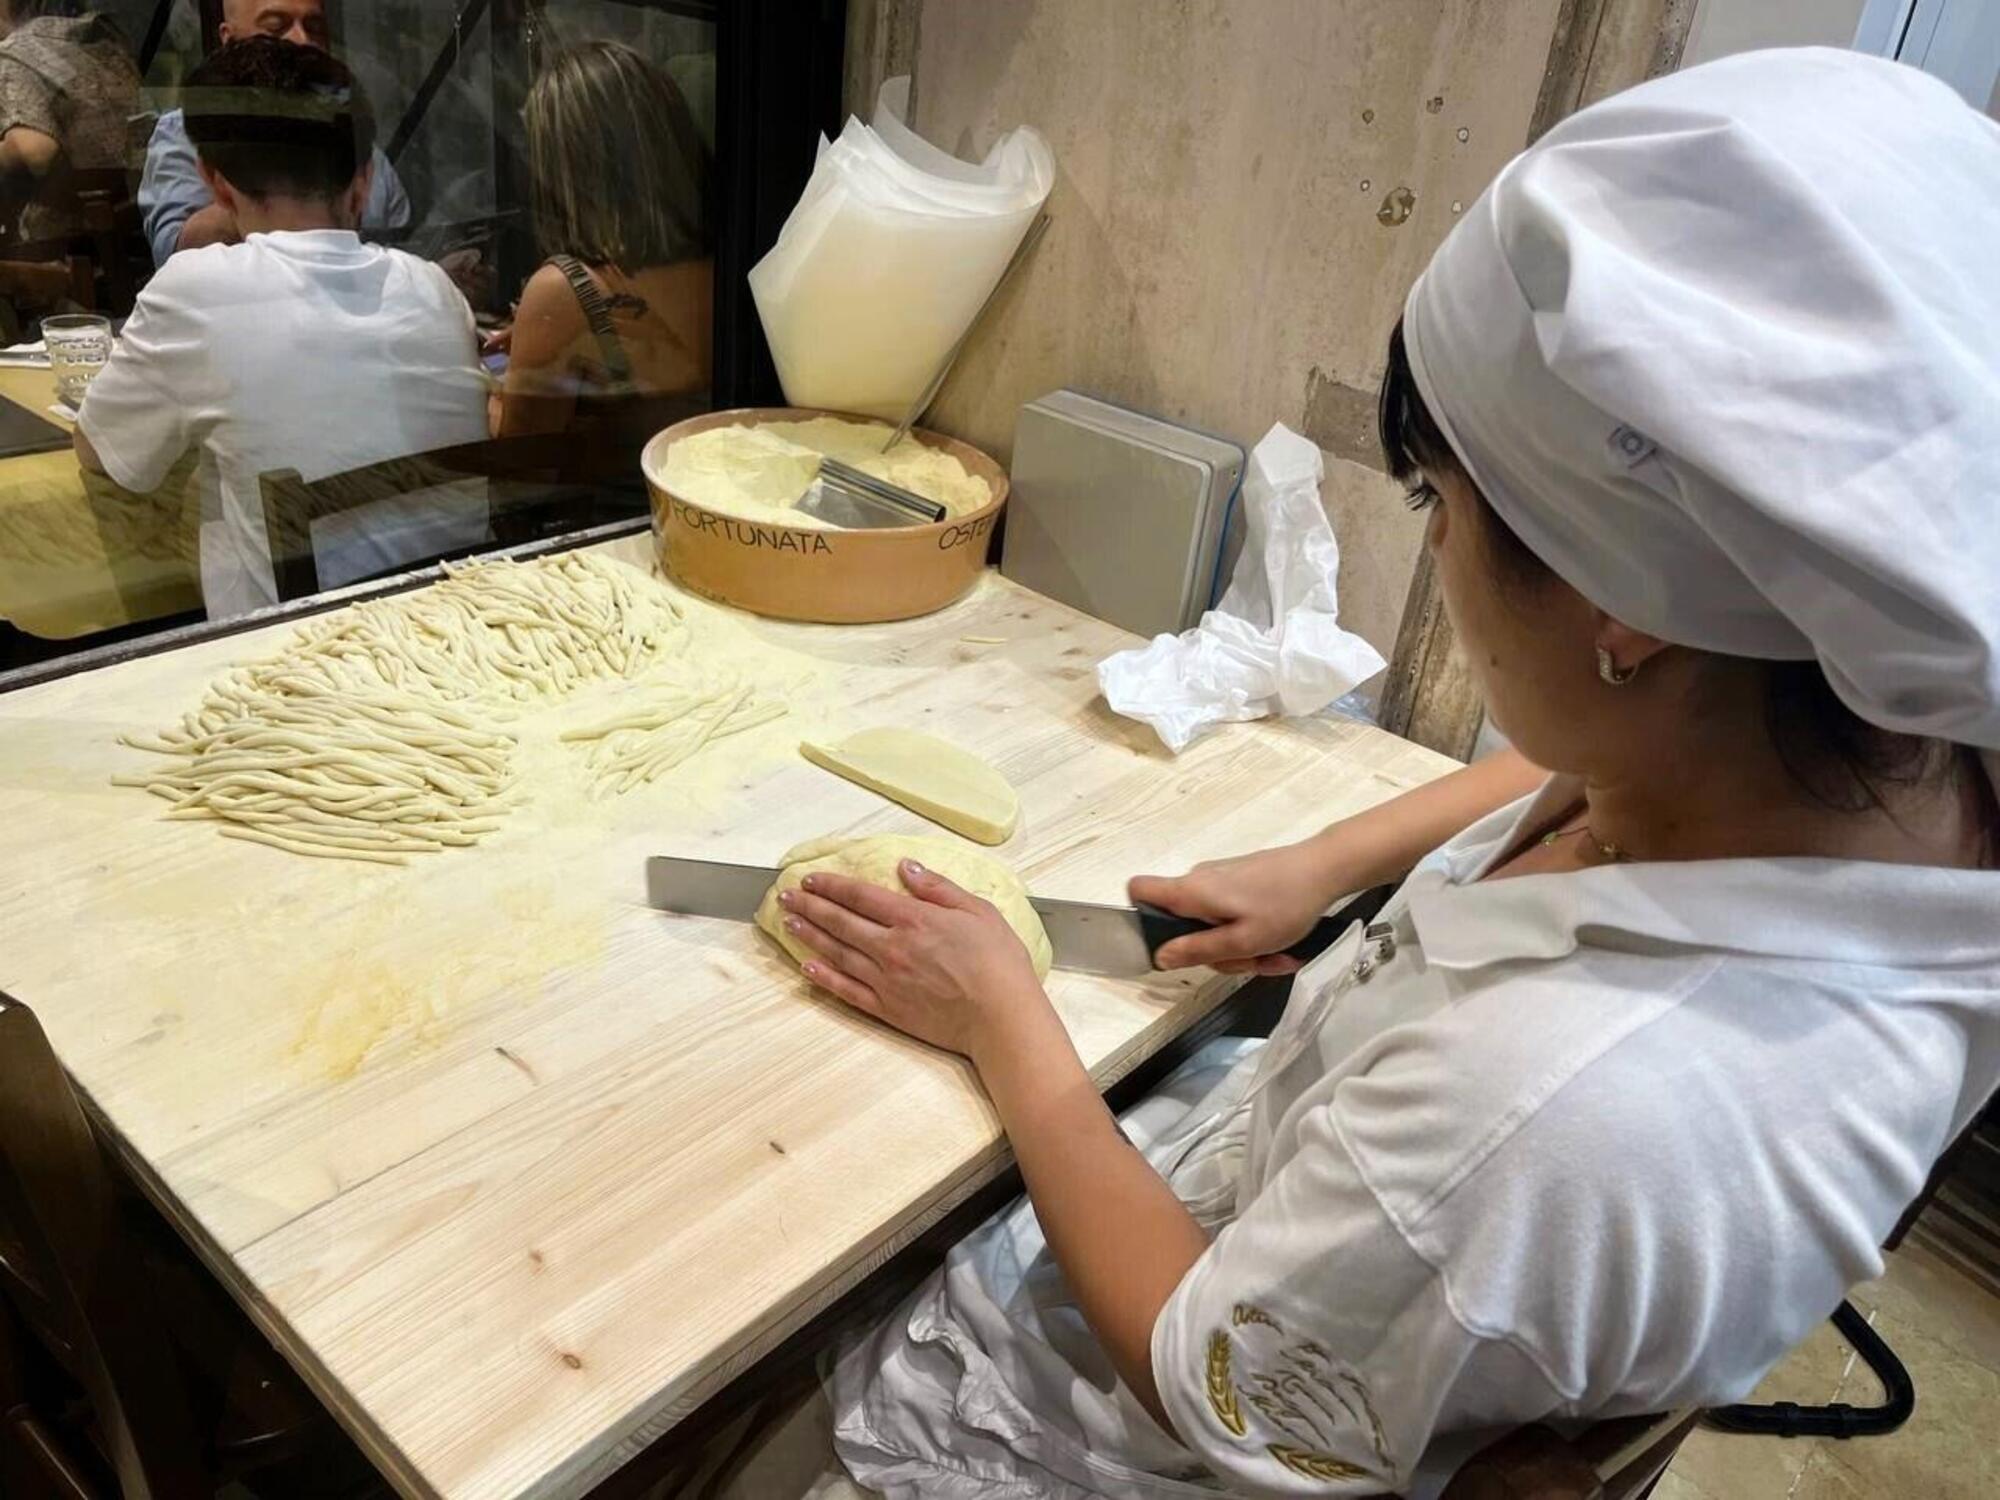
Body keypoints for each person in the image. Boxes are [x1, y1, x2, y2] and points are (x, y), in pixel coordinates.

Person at [757, 48, 2000, 1499]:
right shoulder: (1863, 748)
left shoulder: (1551, 1125)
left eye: (1439, 504)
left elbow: (1199, 1372)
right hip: (1320, 1196)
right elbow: (1573, 757)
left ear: (1628, 616)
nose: (1434, 545)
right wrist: (1329, 860)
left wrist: (1008, 1027)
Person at [75, 37, 487, 621]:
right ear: (364, 182)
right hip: (462, 632)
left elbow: (100, 454)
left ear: (214, 185)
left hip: (290, 666)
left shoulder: (194, 291)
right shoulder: (435, 289)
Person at [489, 39, 710, 473]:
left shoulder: (563, 291)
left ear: (568, 166)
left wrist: (486, 397)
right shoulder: (743, 258)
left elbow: (521, 471)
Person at [136, 0, 407, 267]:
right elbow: (174, 252)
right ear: (229, 41)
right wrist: (291, 194)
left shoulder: (356, 139)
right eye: (276, 28)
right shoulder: (184, 133)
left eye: (314, 28)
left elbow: (403, 246)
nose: (302, 41)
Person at [0, 0, 139, 246]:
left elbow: (34, 151)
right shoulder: (102, 40)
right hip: (128, 237)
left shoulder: (17, 52)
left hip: (56, 253)